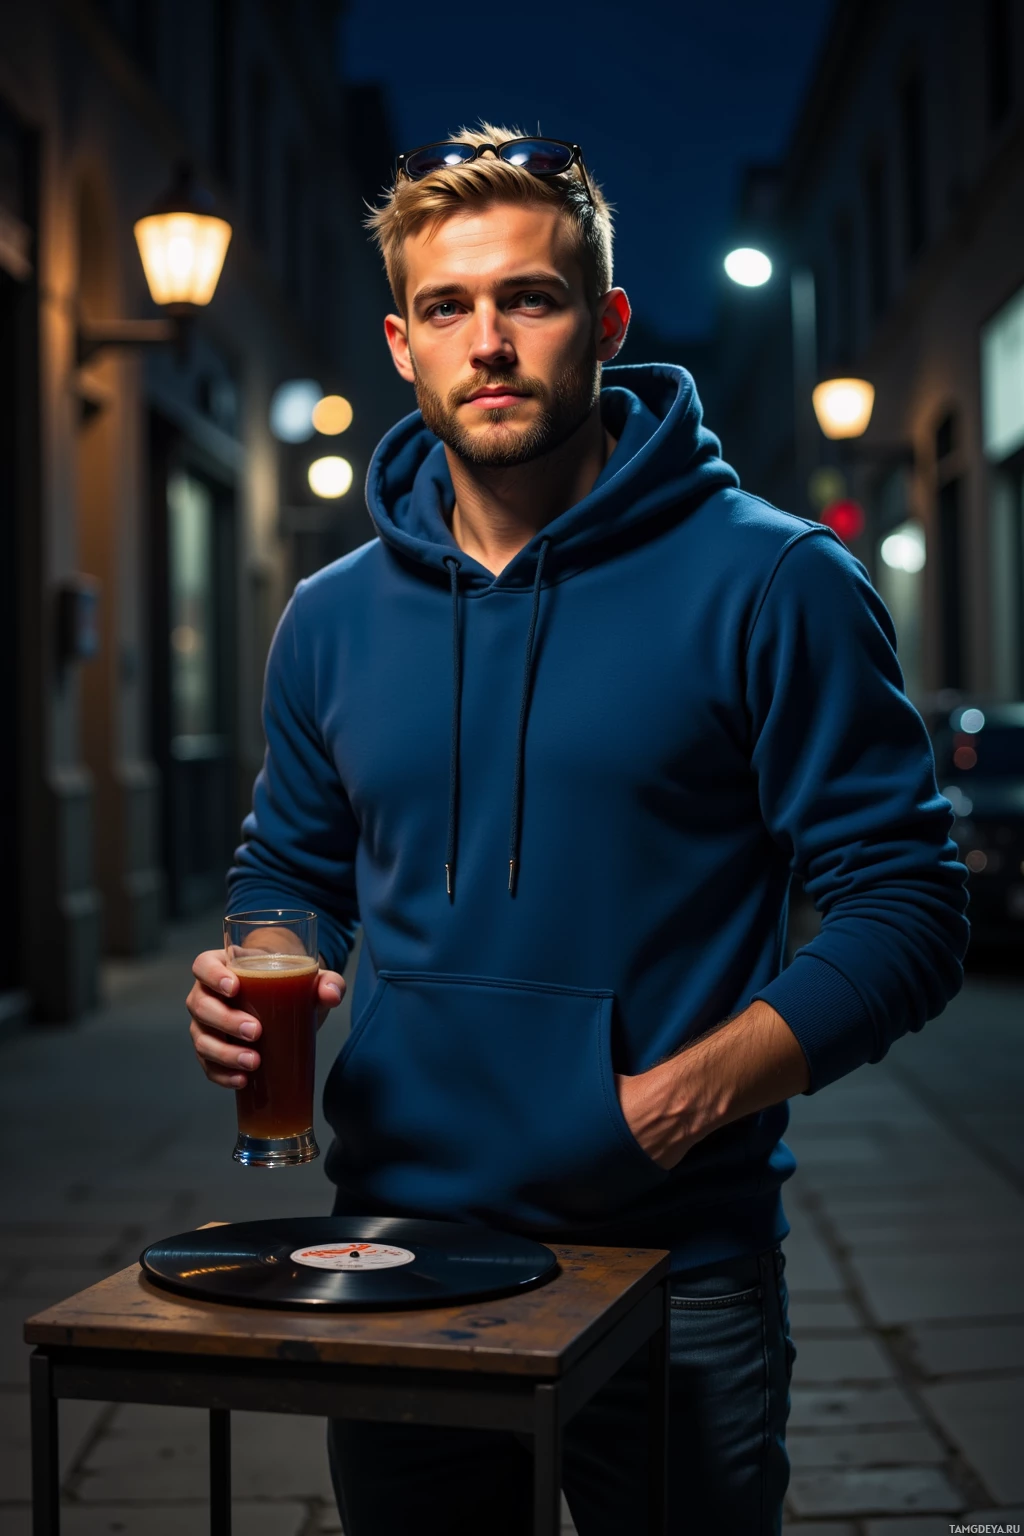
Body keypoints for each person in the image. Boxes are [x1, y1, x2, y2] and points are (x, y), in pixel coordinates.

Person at [186, 124, 969, 1535]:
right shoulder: (330, 618)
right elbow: (291, 869)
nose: (487, 342)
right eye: (446, 308)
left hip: (673, 1264)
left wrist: (680, 1102)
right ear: (402, 344)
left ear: (605, 324)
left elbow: (908, 904)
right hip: (395, 1247)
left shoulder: (774, 580)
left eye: (529, 299)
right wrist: (261, 965)